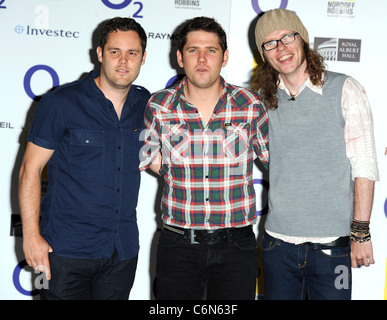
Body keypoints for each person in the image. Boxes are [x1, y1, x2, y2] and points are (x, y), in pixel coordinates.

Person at [18, 17, 149, 300]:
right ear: (100, 53)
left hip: (121, 253)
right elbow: (30, 170)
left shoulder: (145, 104)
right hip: (61, 252)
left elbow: (159, 159)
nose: (123, 61)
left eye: (132, 53)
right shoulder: (61, 102)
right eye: (115, 51)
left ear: (143, 57)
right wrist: (30, 236)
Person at [252, 9, 379, 300]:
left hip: (332, 248)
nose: (280, 48)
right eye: (269, 43)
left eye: (287, 37)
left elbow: (364, 166)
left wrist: (361, 234)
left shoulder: (345, 88)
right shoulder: (261, 102)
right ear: (263, 54)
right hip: (276, 246)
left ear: (303, 39)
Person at [139, 16, 269, 300]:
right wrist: (175, 172)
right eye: (192, 50)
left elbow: (275, 160)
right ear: (179, 57)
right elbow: (147, 156)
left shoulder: (249, 105)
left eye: (211, 50)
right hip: (178, 245)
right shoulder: (159, 105)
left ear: (225, 57)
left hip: (237, 246)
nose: (201, 58)